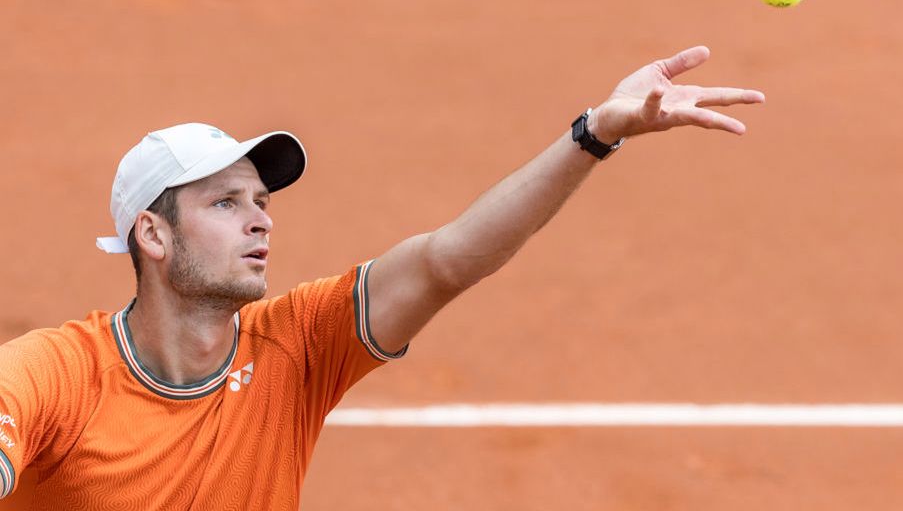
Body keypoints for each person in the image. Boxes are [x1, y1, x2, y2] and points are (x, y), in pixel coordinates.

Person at [0, 46, 763, 509]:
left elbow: (449, 258)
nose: (261, 220)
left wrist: (594, 134)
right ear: (153, 234)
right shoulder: (59, 374)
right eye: (225, 203)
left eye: (262, 201)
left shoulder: (298, 345)